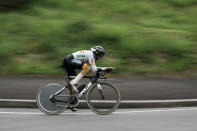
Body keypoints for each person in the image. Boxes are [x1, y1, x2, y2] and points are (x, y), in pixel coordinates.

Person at [62, 46, 112, 111]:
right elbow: (94, 70)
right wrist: (105, 69)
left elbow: (94, 68)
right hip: (69, 60)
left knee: (74, 89)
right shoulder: (91, 54)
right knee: (87, 68)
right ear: (97, 53)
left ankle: (71, 103)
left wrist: (105, 69)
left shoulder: (91, 56)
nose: (100, 58)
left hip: (70, 61)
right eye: (100, 56)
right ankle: (73, 82)